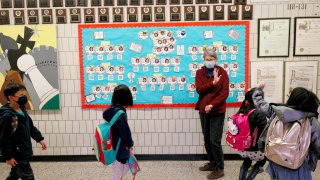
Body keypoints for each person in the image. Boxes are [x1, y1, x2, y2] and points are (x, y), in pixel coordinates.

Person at [253, 84, 320, 180]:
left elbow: (260, 104)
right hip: (298, 166)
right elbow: (318, 145)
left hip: (275, 159)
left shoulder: (277, 112)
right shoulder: (310, 121)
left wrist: (258, 91)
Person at [0, 83, 47, 180]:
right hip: (16, 152)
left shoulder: (22, 108)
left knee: (15, 174)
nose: (24, 97)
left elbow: (29, 125)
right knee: (28, 176)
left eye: (24, 94)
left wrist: (39, 139)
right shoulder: (7, 116)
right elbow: (4, 138)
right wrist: (8, 156)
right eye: (21, 95)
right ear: (11, 97)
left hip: (24, 149)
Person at [195, 48, 229, 179]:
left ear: (216, 60)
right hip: (204, 110)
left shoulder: (223, 73)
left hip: (217, 111)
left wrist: (212, 104)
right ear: (204, 60)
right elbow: (199, 89)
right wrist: (213, 83)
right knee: (207, 139)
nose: (209, 62)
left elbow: (224, 93)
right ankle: (212, 163)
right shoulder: (199, 73)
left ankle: (220, 168)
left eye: (211, 59)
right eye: (207, 59)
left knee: (214, 141)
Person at [103, 84, 134, 180]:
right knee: (119, 171)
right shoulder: (120, 114)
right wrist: (130, 143)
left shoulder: (112, 109)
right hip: (119, 147)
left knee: (119, 169)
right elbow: (125, 132)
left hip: (112, 145)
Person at [236, 88, 267, 180]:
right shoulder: (259, 113)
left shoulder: (242, 109)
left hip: (242, 147)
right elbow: (264, 131)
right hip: (255, 148)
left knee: (246, 162)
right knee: (262, 161)